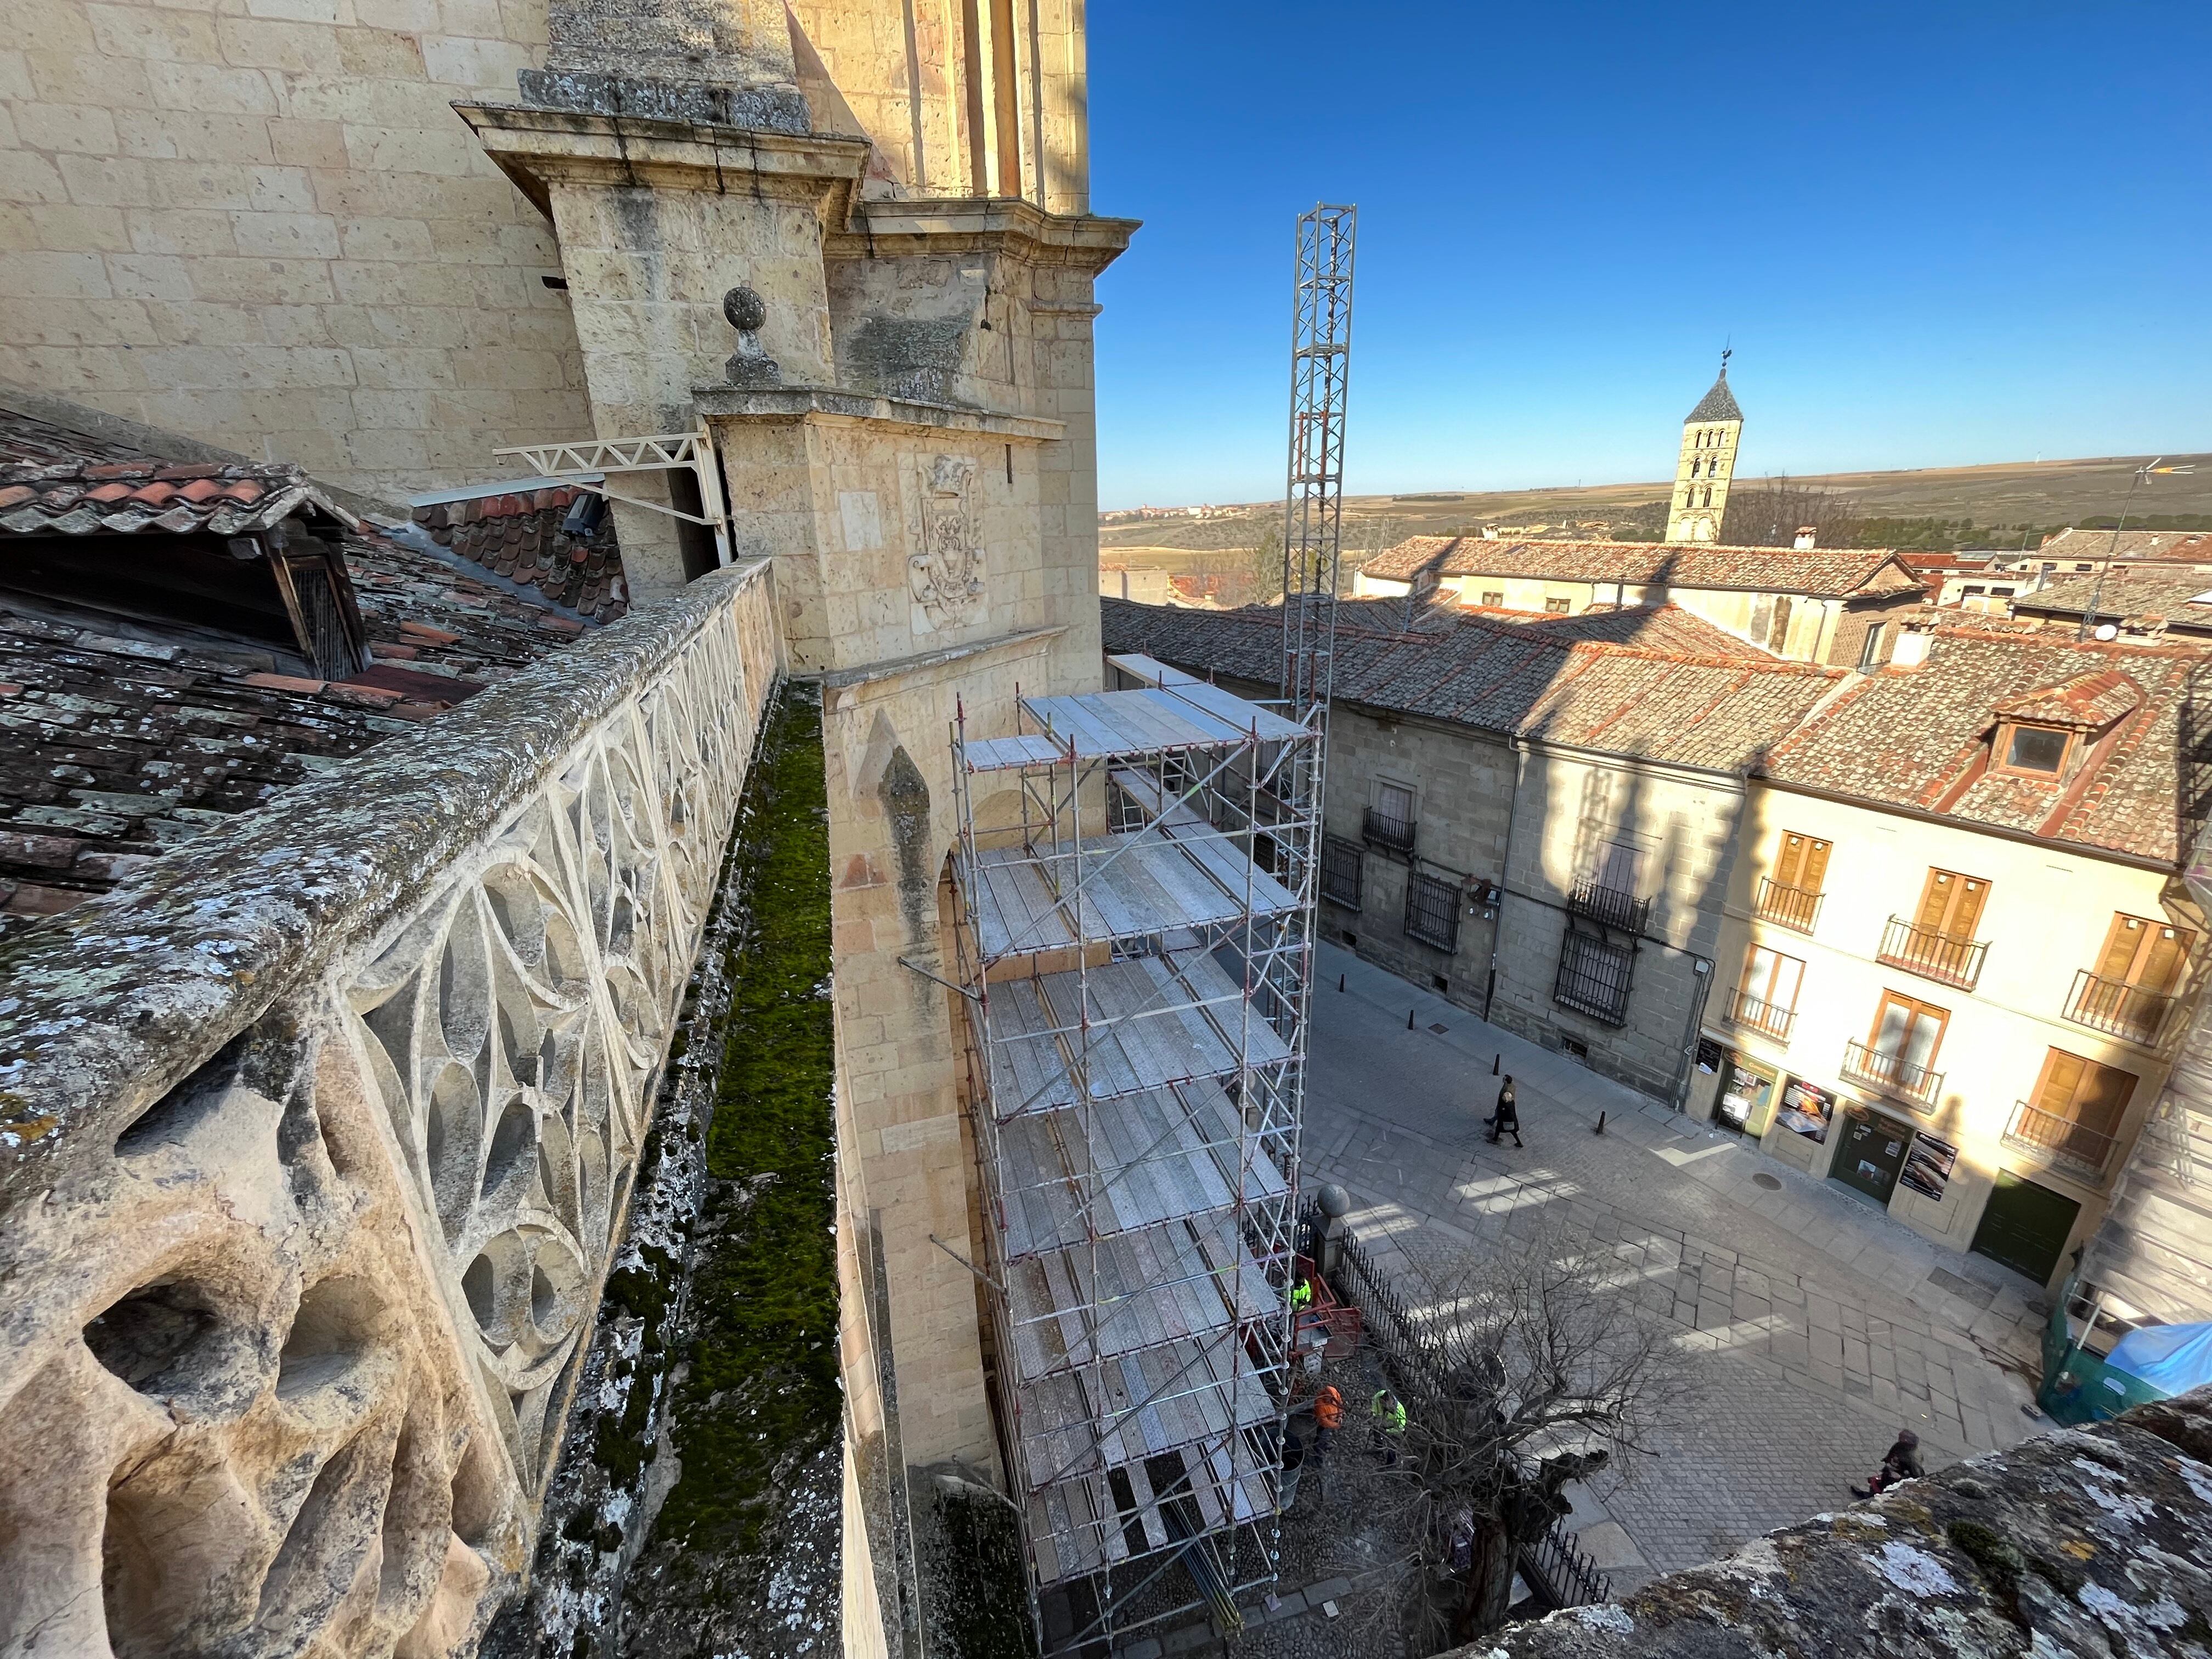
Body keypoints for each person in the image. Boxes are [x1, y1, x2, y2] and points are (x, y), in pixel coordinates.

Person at [1850, 1428, 1923, 1498]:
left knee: (1884, 1489)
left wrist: (1902, 1477)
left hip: (1897, 1477)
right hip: (1891, 1470)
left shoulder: (1913, 1458)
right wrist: (1887, 1461)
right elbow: (1893, 1453)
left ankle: (1869, 1497)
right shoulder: (1901, 1445)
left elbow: (1917, 1477)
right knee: (1881, 1482)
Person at [1370, 1387, 1407, 1468]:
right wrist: (1375, 1416)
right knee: (1375, 1428)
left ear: (1391, 1402)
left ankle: (1390, 1463)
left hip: (1394, 1429)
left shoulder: (1400, 1412)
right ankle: (1379, 1447)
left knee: (1393, 1444)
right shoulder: (1380, 1396)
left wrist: (1388, 1431)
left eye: (1385, 1404)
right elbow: (1374, 1402)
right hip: (1384, 1420)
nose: (1383, 1405)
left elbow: (1400, 1429)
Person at [1485, 1075, 1523, 1147]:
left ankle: (1495, 1139)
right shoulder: (1511, 1101)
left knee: (1499, 1127)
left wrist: (1501, 1109)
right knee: (1512, 1130)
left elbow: (1503, 1108)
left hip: (1505, 1115)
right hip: (1510, 1116)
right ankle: (1519, 1142)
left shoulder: (1507, 1092)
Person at [1312, 1384, 1344, 1456]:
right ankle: (1318, 1452)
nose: (1327, 1399)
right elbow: (1324, 1421)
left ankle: (1324, 1444)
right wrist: (1336, 1425)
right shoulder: (1320, 1404)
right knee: (1321, 1435)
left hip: (1333, 1421)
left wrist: (1340, 1416)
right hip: (1324, 1425)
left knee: (1325, 1436)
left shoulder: (1334, 1393)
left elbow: (1340, 1403)